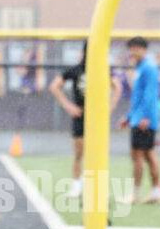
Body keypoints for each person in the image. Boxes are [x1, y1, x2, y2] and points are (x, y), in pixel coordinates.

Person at [48, 41, 122, 197]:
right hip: (80, 115)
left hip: (97, 117)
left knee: (98, 152)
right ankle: (76, 185)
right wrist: (68, 106)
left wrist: (110, 107)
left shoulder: (103, 70)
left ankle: (98, 186)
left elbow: (117, 87)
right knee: (79, 153)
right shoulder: (76, 70)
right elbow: (54, 86)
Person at [119, 37, 160, 203]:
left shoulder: (149, 67)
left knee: (139, 155)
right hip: (139, 117)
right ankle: (155, 191)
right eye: (131, 49)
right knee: (147, 155)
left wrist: (144, 116)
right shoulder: (141, 67)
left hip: (145, 119)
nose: (132, 52)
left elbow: (150, 94)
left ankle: (136, 194)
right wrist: (129, 116)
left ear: (142, 49)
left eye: (135, 48)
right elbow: (137, 96)